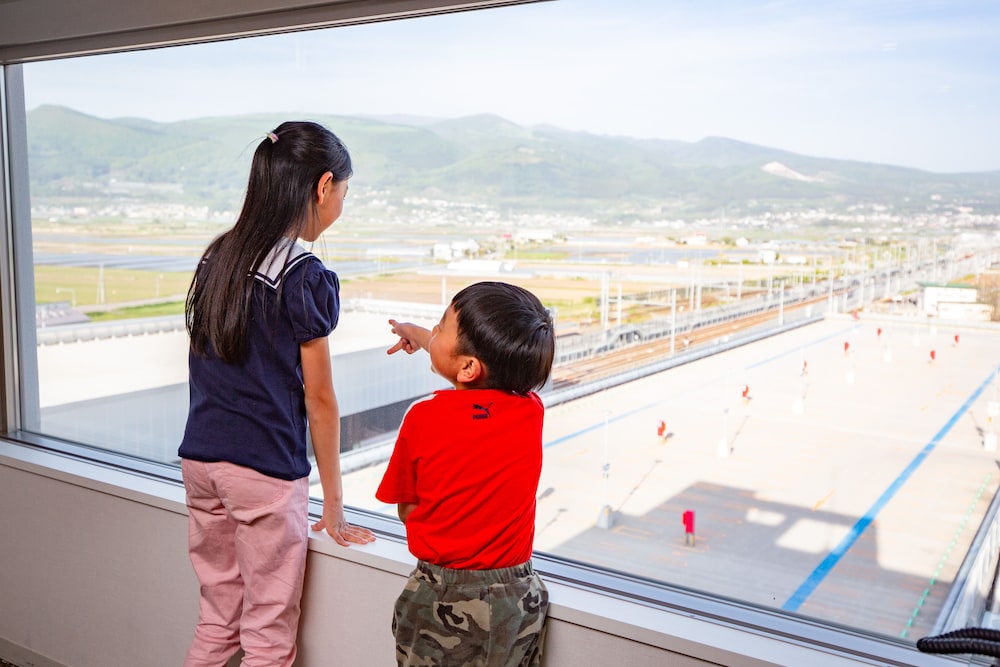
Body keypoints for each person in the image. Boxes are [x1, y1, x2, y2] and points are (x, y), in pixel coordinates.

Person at [178, 121, 375, 667]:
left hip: (201, 462)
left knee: (218, 619)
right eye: (343, 193)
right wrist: (332, 503)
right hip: (263, 472)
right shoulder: (301, 273)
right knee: (267, 633)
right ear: (323, 185)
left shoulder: (220, 255)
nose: (341, 204)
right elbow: (321, 399)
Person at [377, 281, 555, 667]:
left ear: (470, 366)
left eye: (440, 326)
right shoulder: (531, 411)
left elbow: (407, 508)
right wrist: (424, 338)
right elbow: (481, 383)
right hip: (518, 596)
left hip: (442, 594)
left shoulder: (423, 419)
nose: (434, 332)